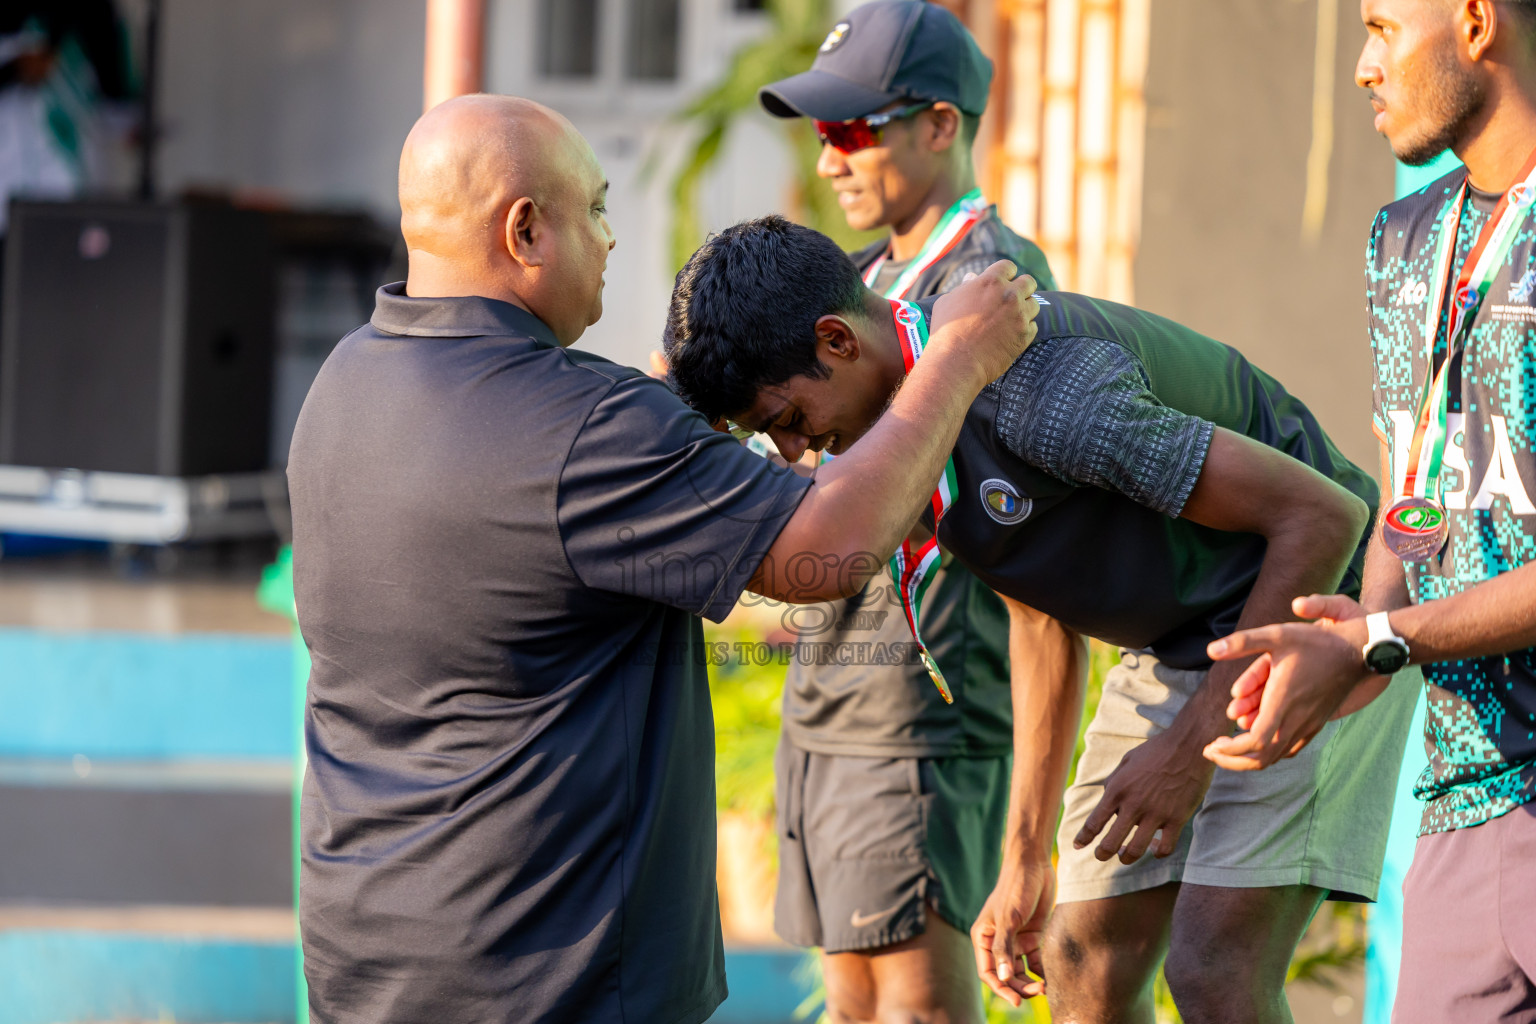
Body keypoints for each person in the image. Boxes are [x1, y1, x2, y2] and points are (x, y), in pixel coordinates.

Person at [285, 95, 1039, 1023]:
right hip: (552, 976)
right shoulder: (587, 428)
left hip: (370, 953)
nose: (609, 240)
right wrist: (957, 359)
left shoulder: (345, 385)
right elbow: (831, 550)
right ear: (525, 230)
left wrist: (672, 429)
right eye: (595, 210)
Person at [663, 215, 1420, 1024]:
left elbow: (1326, 517)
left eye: (787, 416)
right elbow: (1039, 621)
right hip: (1181, 643)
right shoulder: (914, 423)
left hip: (1316, 615)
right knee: (1079, 959)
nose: (790, 451)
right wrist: (1025, 855)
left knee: (1214, 970)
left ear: (837, 341)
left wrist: (1186, 751)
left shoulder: (1034, 394)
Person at [1205, 2, 1536, 1020]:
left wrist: (1381, 642)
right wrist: (1360, 622)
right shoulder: (1403, 240)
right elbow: (1420, 491)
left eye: (1385, 25)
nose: (1362, 65)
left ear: (1476, 21)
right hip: (1462, 792)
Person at [750, 3, 1057, 1019]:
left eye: (852, 130)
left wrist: (1028, 836)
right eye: (820, 133)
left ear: (938, 124)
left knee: (918, 1003)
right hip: (828, 703)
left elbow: (1028, 556)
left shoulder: (994, 291)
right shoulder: (868, 285)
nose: (829, 158)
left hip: (920, 715)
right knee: (852, 1003)